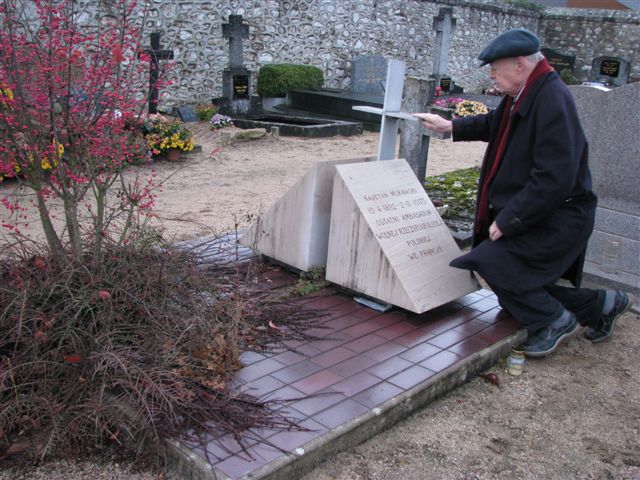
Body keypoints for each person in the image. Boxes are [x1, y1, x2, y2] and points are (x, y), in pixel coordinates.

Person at [414, 28, 632, 357]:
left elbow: (555, 177)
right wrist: (450, 126)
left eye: (494, 67)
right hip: (542, 212)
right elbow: (495, 124)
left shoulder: (551, 99)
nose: (491, 74)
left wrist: (512, 219)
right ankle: (601, 304)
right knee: (519, 287)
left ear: (518, 65)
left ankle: (554, 320)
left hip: (560, 217)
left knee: (493, 263)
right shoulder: (526, 93)